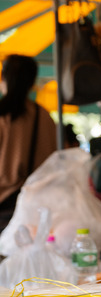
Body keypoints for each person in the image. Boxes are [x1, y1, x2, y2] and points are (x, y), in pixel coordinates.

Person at [0, 55, 57, 232]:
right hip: (35, 208)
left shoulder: (2, 116)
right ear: (32, 82)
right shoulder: (44, 117)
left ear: (4, 79)